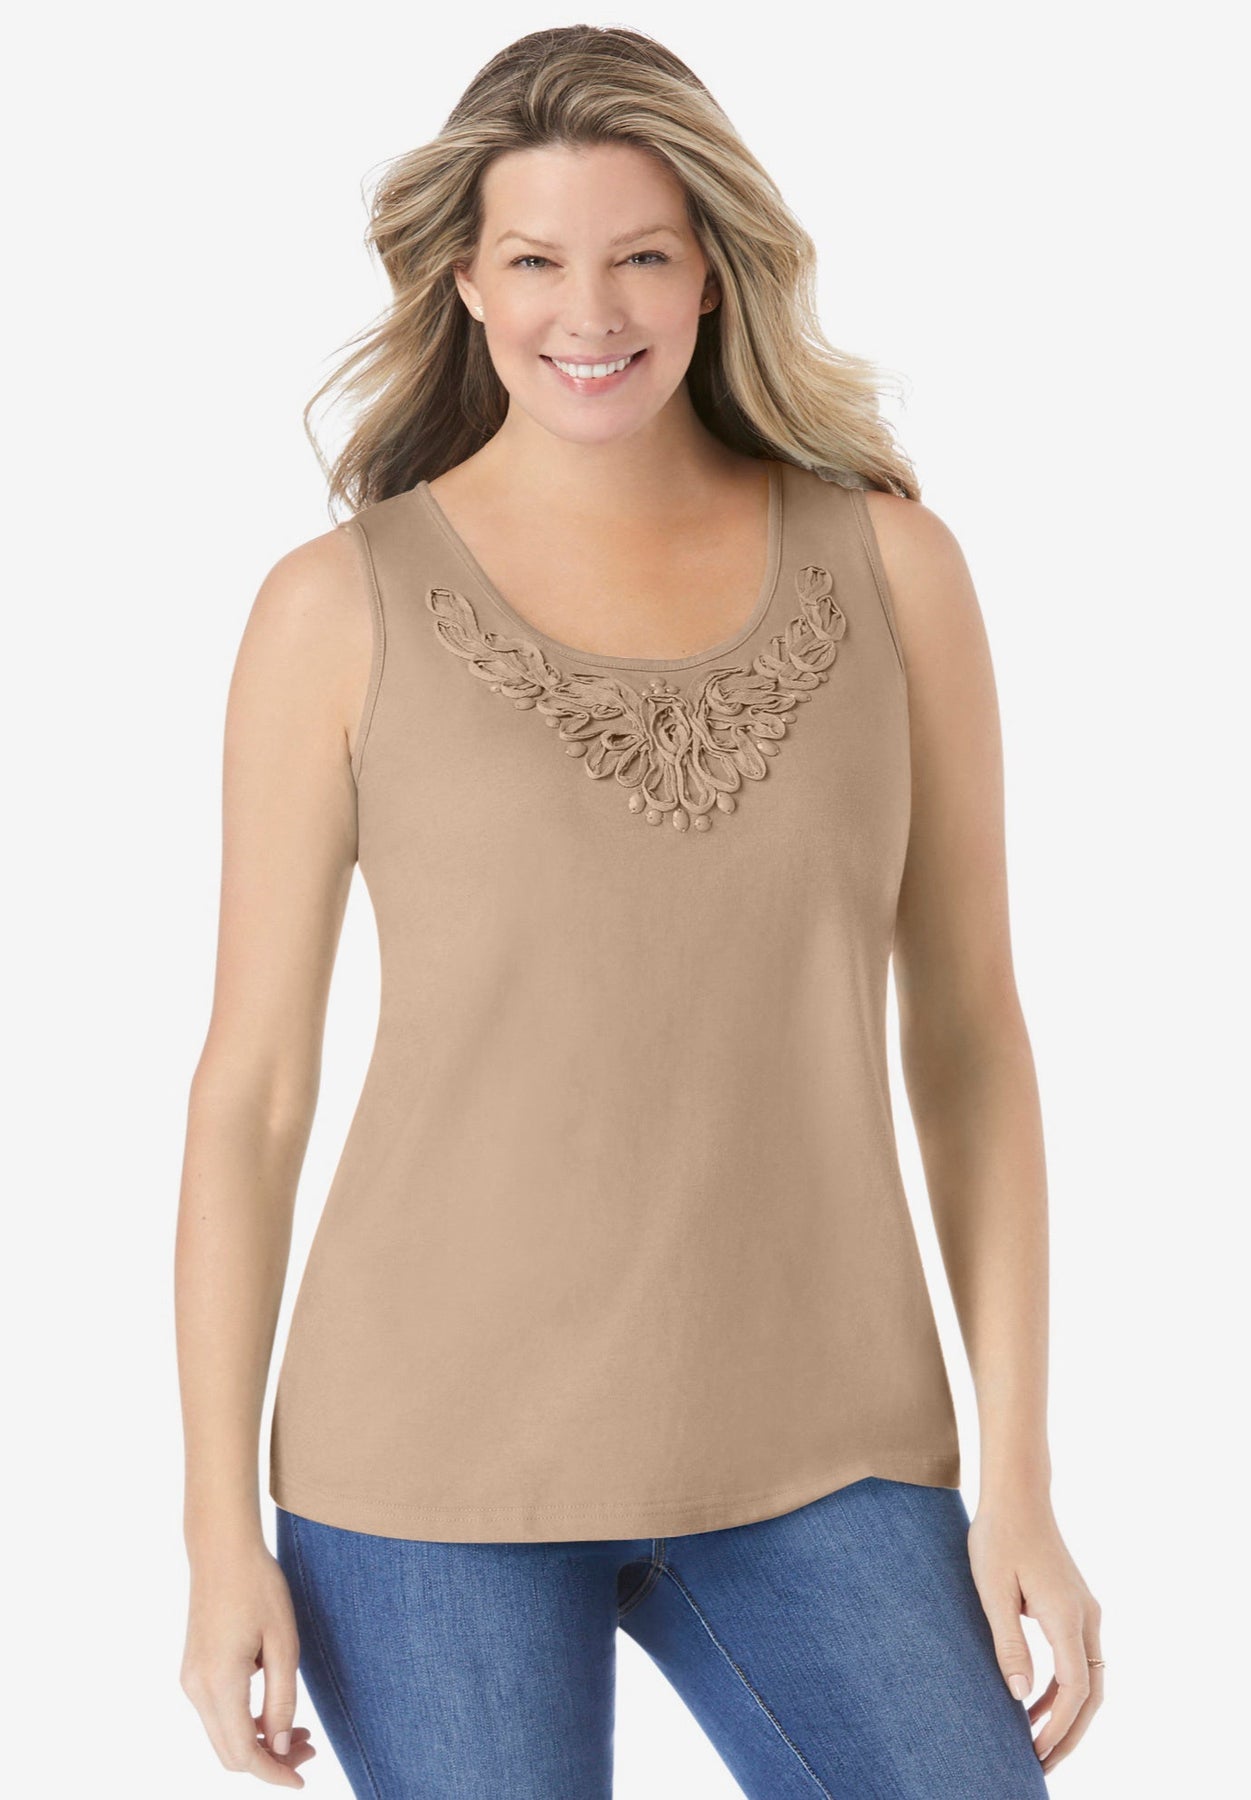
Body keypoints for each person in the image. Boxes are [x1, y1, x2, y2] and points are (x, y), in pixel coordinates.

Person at [175, 24, 1105, 1796]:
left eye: (642, 256)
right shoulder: (333, 609)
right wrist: (220, 1534)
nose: (588, 312)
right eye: (535, 260)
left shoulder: (895, 570)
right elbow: (253, 1098)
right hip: (425, 1466)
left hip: (828, 1443)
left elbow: (973, 1038)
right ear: (464, 279)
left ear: (714, 271)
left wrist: (1023, 1478)